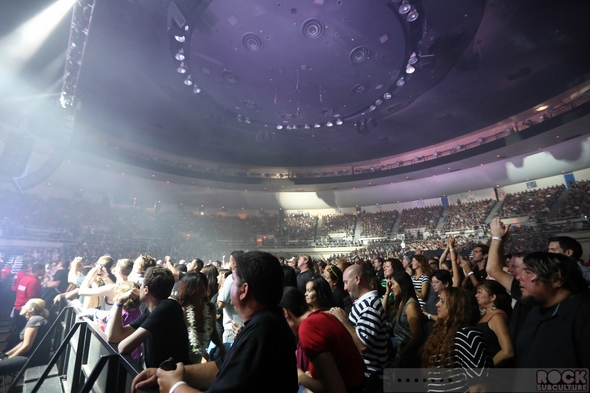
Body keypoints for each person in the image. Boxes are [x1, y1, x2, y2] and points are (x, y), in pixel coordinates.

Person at [131, 251, 298, 393]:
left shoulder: (263, 332)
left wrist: (174, 386)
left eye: (232, 280)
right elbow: (221, 368)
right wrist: (167, 374)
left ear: (243, 290)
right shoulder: (263, 323)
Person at [281, 287, 365, 393]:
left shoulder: (308, 327)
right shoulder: (324, 316)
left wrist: (301, 377)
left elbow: (336, 390)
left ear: (285, 312)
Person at [514, 251, 590, 368]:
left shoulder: (583, 315)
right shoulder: (537, 309)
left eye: (528, 272)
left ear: (556, 281)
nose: (519, 277)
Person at [106, 267, 190, 368]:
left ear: (146, 290)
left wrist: (120, 301)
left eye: (141, 285)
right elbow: (113, 337)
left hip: (173, 378)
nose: (139, 288)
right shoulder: (150, 311)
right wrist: (119, 302)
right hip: (162, 376)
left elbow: (123, 347)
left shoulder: (167, 307)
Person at [422, 287, 493, 392]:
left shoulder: (468, 335)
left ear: (457, 306)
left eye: (442, 301)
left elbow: (479, 386)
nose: (437, 304)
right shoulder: (443, 334)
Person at [331, 264, 388, 389]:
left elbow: (363, 345)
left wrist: (343, 320)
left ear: (357, 279)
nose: (345, 287)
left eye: (346, 282)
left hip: (370, 379)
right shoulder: (363, 302)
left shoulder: (369, 306)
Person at [176, 272, 225, 364]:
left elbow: (213, 332)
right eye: (198, 284)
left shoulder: (210, 308)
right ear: (189, 287)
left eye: (204, 284)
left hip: (198, 362)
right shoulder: (180, 309)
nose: (202, 287)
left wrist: (221, 346)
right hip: (180, 362)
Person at [0, 299, 51, 376]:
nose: (22, 306)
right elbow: (23, 343)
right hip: (31, 355)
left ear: (31, 309)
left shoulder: (35, 320)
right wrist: (5, 355)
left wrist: (10, 358)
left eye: (25, 305)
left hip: (33, 358)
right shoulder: (34, 319)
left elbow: (26, 347)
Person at [387, 271, 423, 368]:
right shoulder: (400, 301)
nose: (392, 287)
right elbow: (383, 310)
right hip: (402, 353)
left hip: (409, 357)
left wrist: (400, 355)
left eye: (393, 284)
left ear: (402, 285)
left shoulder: (411, 305)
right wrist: (387, 293)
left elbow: (416, 336)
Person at [475, 280, 514, 366]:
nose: (476, 295)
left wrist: (486, 369)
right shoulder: (486, 315)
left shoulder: (497, 317)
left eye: (479, 292)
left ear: (492, 297)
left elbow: (507, 351)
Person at [217, 250, 243, 344]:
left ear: (234, 263)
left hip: (232, 329)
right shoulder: (250, 276)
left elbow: (221, 304)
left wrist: (222, 285)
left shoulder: (231, 278)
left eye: (230, 261)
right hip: (245, 326)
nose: (229, 264)